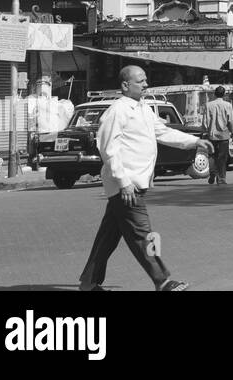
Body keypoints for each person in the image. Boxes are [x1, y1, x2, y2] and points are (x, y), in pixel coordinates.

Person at [79, 65, 214, 292]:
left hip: (135, 183)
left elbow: (162, 132)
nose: (146, 85)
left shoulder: (142, 108)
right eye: (140, 81)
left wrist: (194, 142)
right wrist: (124, 182)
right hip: (127, 186)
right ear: (125, 85)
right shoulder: (117, 111)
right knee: (144, 234)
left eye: (145, 81)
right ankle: (162, 281)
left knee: (108, 237)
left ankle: (88, 283)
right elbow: (108, 149)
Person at [203, 85, 233, 185]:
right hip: (224, 136)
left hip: (212, 135)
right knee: (222, 158)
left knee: (212, 156)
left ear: (214, 94)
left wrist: (205, 132)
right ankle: (221, 178)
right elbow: (231, 121)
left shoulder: (208, 105)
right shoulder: (228, 105)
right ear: (224, 94)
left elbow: (205, 122)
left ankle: (213, 173)